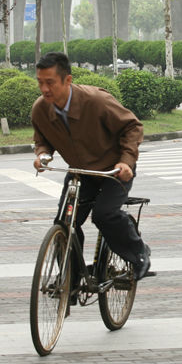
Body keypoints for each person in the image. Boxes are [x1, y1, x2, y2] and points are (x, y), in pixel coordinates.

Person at [32, 52, 152, 280]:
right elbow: (42, 140)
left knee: (104, 215)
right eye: (40, 82)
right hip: (80, 173)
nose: (44, 89)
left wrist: (126, 162)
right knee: (65, 223)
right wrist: (43, 155)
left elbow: (133, 127)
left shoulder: (96, 101)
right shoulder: (40, 109)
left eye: (50, 83)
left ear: (67, 80)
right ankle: (71, 279)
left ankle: (138, 253)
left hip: (113, 171)